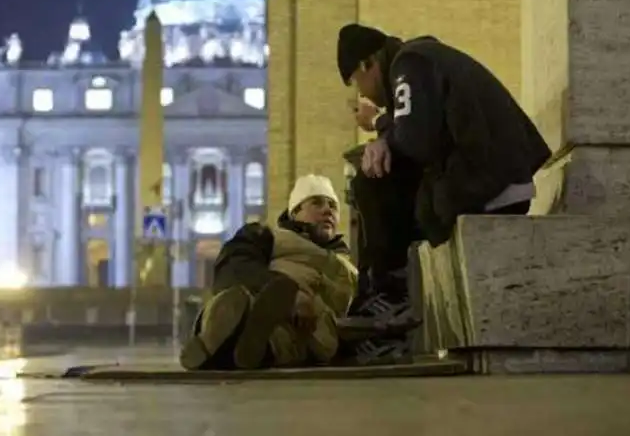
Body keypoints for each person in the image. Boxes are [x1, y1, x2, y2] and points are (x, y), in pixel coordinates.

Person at [336, 24, 551, 347]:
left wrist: (381, 130)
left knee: (373, 178)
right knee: (389, 175)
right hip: (494, 172)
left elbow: (415, 141)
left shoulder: (409, 63)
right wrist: (385, 132)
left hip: (489, 178)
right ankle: (380, 293)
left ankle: (389, 293)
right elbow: (423, 131)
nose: (362, 94)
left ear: (368, 63)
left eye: (356, 82)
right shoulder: (420, 61)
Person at [179, 174, 358, 370]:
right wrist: (288, 296)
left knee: (291, 340)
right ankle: (230, 332)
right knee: (235, 301)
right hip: (262, 302)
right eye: (317, 203)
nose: (327, 211)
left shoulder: (349, 265)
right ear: (295, 212)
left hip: (309, 330)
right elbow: (234, 263)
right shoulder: (270, 236)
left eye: (333, 206)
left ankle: (220, 346)